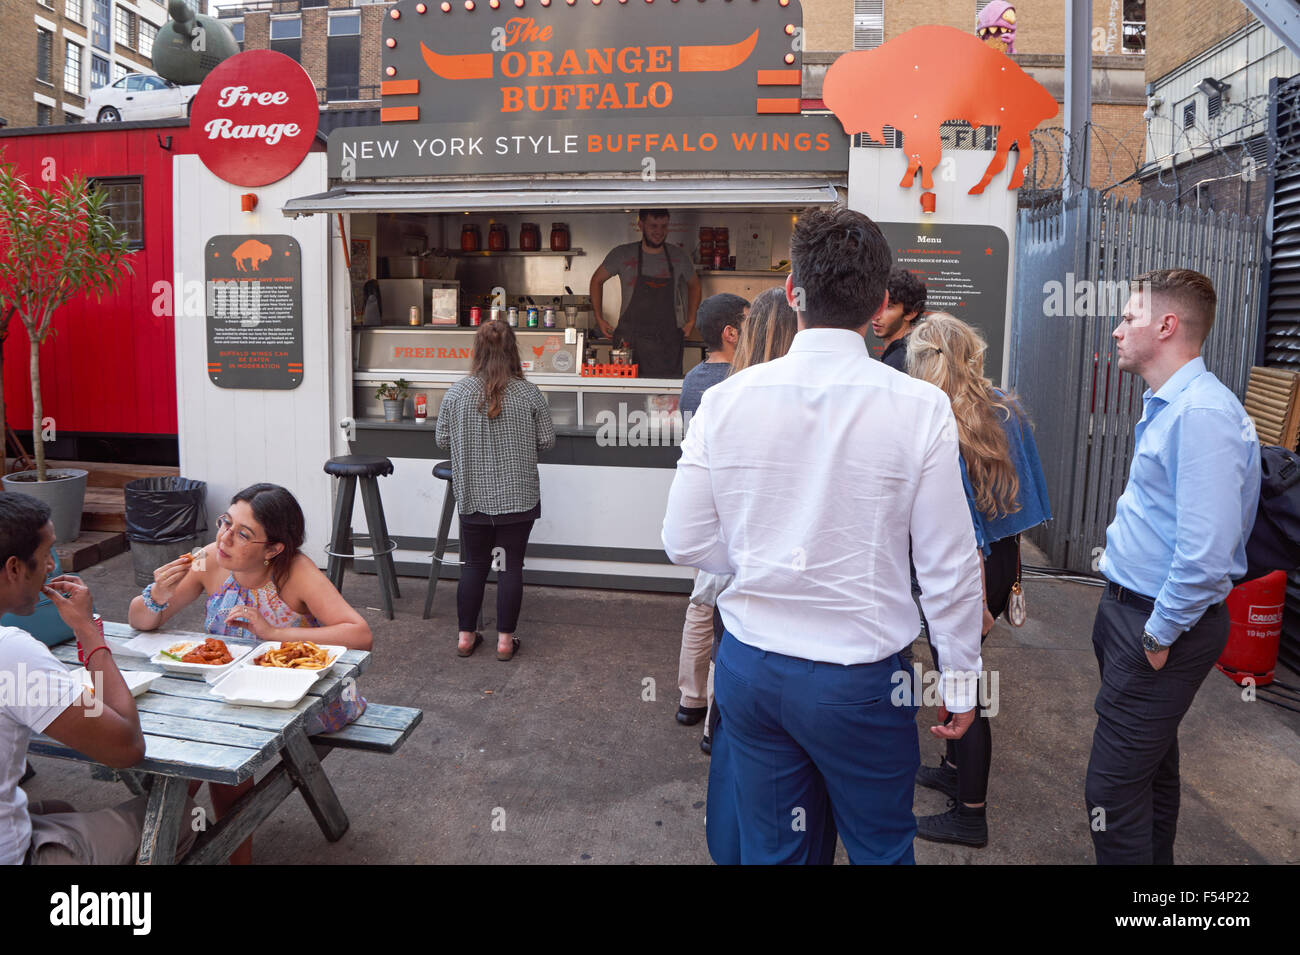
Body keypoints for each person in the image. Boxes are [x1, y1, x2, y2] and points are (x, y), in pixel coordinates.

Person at [662, 207, 985, 865]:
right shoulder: (920, 408)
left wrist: (755, 558)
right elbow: (949, 565)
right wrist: (961, 682)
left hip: (754, 670)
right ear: (878, 303)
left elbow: (684, 538)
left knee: (776, 852)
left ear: (791, 292)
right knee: (880, 849)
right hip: (863, 682)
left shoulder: (726, 401)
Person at [1086, 269, 1259, 865]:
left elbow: (1207, 554)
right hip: (1134, 614)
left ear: (1166, 326)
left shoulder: (1201, 415)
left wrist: (1157, 635)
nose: (1116, 331)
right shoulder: (1174, 405)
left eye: (1129, 318)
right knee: (1148, 772)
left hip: (1158, 626)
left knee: (1110, 790)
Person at [128, 482, 373, 864]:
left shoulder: (294, 572)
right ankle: (167, 840)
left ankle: (225, 855)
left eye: (243, 534)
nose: (225, 537)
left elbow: (360, 635)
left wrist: (274, 634)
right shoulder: (209, 559)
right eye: (225, 522)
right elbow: (141, 621)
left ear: (273, 548)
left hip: (300, 698)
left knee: (221, 756)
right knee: (182, 765)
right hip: (230, 693)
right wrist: (156, 594)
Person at [905, 312, 1052, 848]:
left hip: (965, 566)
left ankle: (971, 815)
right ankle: (951, 766)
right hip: (1002, 560)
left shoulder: (929, 415)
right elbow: (1028, 500)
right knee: (958, 669)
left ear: (922, 361)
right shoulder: (1006, 407)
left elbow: (949, 524)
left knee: (962, 679)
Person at [0, 492, 193, 864]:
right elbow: (125, 747)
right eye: (46, 556)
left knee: (55, 806)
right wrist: (88, 631)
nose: (53, 567)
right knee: (179, 817)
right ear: (13, 568)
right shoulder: (12, 655)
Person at [436, 320, 556, 661]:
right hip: (517, 497)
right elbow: (547, 440)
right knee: (509, 567)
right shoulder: (528, 393)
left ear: (477, 350)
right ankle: (505, 641)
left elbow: (442, 439)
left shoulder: (457, 393)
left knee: (474, 565)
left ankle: (465, 637)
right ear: (513, 349)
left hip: (473, 497)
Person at [675, 293, 748, 738]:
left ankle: (689, 698)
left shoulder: (692, 379)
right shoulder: (741, 382)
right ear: (731, 332)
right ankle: (713, 723)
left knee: (701, 605)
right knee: (731, 618)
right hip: (731, 513)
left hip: (702, 509)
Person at [589, 209, 702, 379]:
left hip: (667, 344)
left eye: (664, 226)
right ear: (641, 225)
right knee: (626, 396)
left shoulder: (678, 257)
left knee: (664, 399)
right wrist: (599, 318)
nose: (659, 231)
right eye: (653, 226)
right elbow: (596, 281)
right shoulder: (622, 254)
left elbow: (695, 286)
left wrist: (691, 319)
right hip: (630, 344)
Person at [677, 293, 748, 419]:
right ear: (731, 333)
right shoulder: (742, 379)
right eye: (750, 325)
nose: (756, 331)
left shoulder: (691, 378)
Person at [875, 267, 928, 372]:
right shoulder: (904, 354)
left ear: (911, 313)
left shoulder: (901, 362)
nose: (877, 315)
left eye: (888, 307)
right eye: (876, 304)